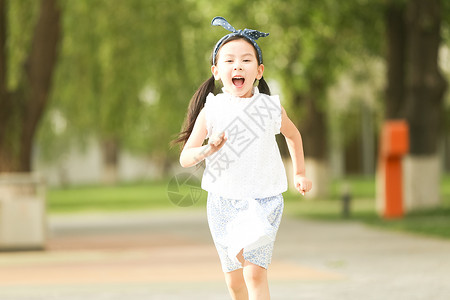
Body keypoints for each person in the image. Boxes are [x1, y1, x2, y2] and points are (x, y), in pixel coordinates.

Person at [173, 16, 312, 300]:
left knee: (254, 273)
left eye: (246, 60)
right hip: (222, 202)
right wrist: (208, 150)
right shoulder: (212, 110)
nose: (238, 65)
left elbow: (293, 136)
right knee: (235, 282)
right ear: (216, 70)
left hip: (264, 200)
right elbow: (186, 158)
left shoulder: (269, 108)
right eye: (230, 60)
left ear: (259, 71)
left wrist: (299, 173)